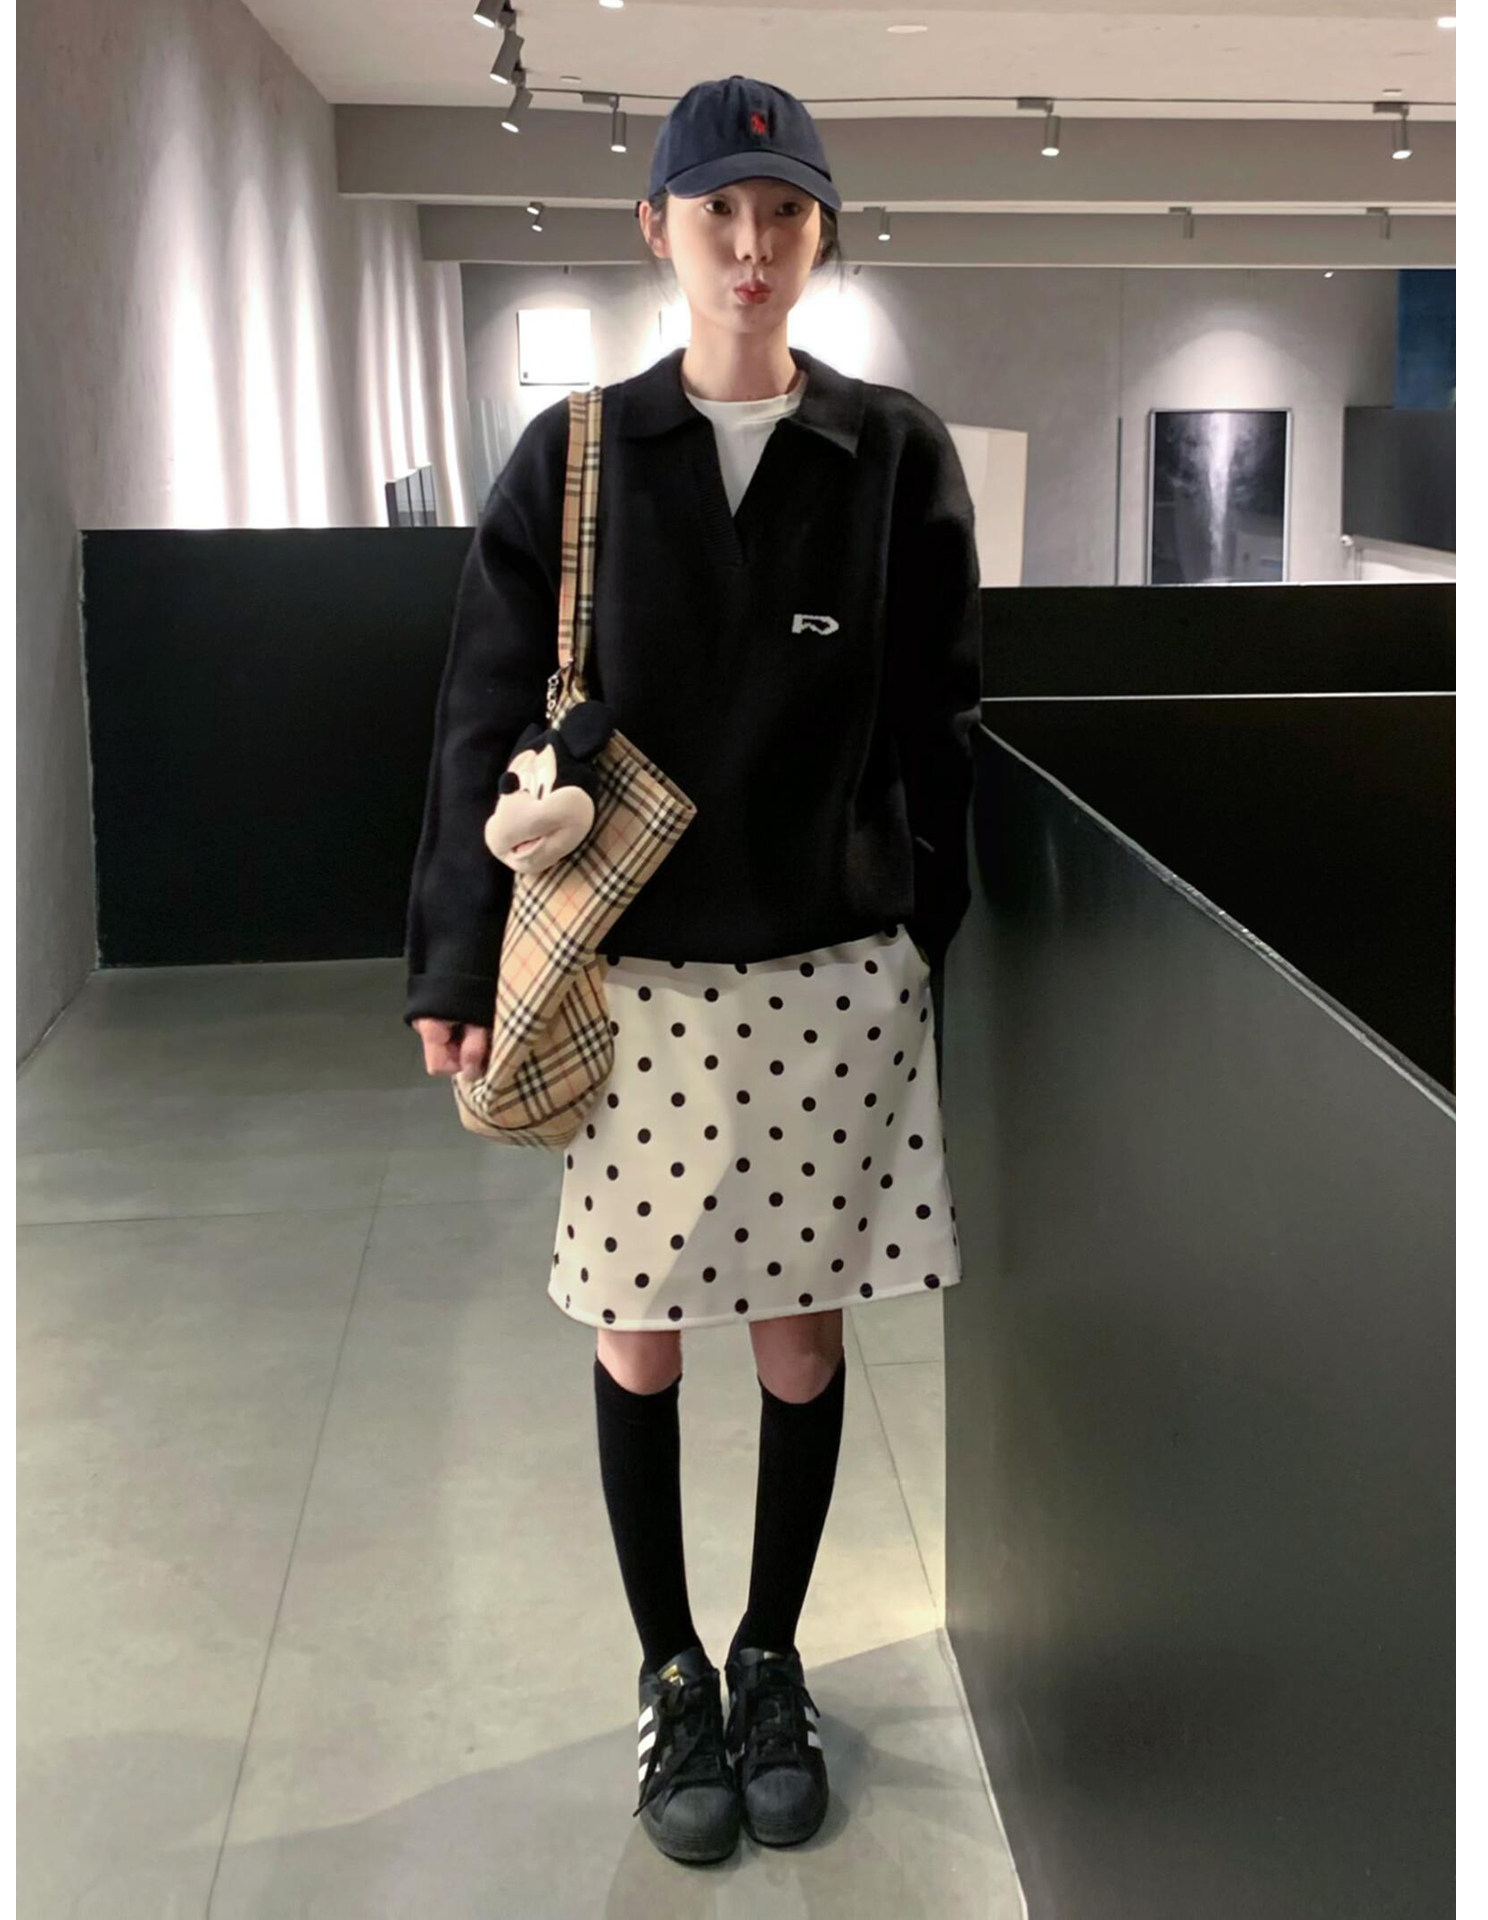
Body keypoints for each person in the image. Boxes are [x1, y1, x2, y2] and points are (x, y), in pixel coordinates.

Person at [402, 74, 981, 1866]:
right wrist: (454, 958)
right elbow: (482, 711)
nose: (751, 246)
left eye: (783, 212)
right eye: (718, 211)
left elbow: (941, 715)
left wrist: (929, 924)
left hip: (831, 973)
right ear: (655, 226)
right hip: (631, 975)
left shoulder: (893, 453)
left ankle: (770, 1655)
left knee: (801, 1334)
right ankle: (671, 1674)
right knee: (639, 1331)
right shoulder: (576, 453)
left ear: (821, 233)